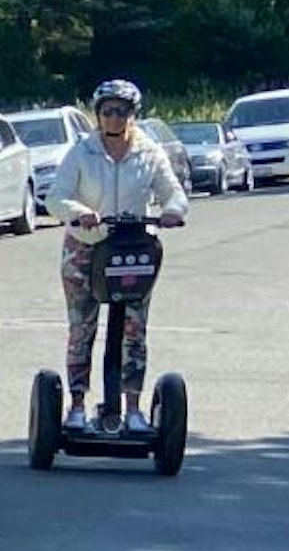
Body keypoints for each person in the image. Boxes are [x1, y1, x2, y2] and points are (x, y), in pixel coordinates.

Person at [46, 76, 188, 431]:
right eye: (107, 111)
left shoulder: (149, 152)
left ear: (132, 114)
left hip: (133, 249)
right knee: (82, 327)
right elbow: (55, 197)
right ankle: (77, 406)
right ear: (97, 115)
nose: (113, 118)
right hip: (86, 248)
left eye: (121, 111)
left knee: (134, 330)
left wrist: (173, 210)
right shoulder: (82, 151)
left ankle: (133, 408)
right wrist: (78, 211)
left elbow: (175, 193)